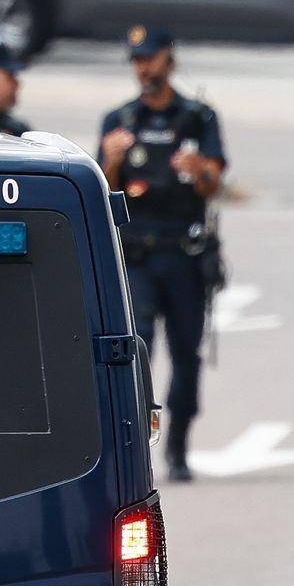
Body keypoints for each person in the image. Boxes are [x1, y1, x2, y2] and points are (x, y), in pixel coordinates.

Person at [99, 27, 226, 482]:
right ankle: (135, 445)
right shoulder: (119, 119)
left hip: (184, 253)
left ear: (168, 60)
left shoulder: (197, 117)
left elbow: (214, 184)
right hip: (137, 256)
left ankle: (178, 446)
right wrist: (112, 159)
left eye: (149, 58)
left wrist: (199, 169)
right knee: (137, 351)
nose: (143, 68)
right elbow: (105, 189)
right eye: (136, 60)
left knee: (186, 352)